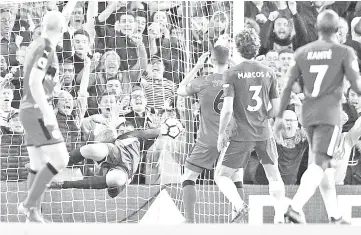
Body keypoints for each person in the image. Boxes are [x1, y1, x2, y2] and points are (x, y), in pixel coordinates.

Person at [274, 9, 361, 224]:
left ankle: (335, 215)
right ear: (338, 30)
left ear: (318, 28)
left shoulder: (302, 52)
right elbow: (357, 86)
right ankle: (294, 207)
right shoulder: (344, 52)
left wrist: (278, 117)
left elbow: (286, 87)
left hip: (308, 114)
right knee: (320, 164)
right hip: (329, 115)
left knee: (325, 168)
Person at [216, 28, 286, 224]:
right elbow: (277, 109)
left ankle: (239, 205)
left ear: (237, 49)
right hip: (264, 132)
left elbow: (228, 109)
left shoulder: (231, 73)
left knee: (222, 176)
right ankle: (279, 216)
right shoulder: (269, 72)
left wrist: (222, 133)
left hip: (241, 134)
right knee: (274, 174)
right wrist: (264, 117)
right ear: (256, 48)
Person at [17, 11, 68, 223]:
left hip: (26, 110)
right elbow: (34, 82)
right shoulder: (47, 47)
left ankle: (33, 214)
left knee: (37, 164)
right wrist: (48, 113)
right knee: (61, 159)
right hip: (37, 111)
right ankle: (27, 205)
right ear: (64, 29)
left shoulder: (37, 43)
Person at [177, 46, 233, 223]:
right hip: (234, 138)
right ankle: (239, 221)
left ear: (211, 61)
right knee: (236, 177)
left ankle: (190, 221)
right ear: (229, 60)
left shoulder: (202, 81)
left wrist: (197, 66)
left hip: (209, 139)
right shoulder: (237, 81)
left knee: (188, 177)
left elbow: (180, 89)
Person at [48, 124, 166, 198]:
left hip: (124, 169)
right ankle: (49, 166)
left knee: (116, 180)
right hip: (113, 152)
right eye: (121, 128)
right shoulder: (115, 140)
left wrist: (164, 129)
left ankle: (64, 184)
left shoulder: (137, 136)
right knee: (92, 149)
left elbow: (159, 131)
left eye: (127, 128)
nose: (124, 130)